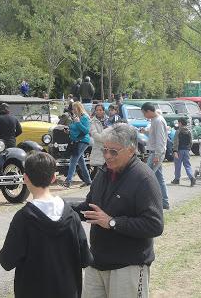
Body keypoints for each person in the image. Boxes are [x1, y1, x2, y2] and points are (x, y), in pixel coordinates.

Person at [71, 123, 164, 298]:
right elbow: (90, 208)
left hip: (128, 266)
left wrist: (112, 222)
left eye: (113, 151)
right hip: (96, 263)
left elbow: (155, 225)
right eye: (105, 149)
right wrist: (61, 210)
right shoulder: (103, 172)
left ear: (131, 150)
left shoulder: (144, 178)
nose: (107, 155)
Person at [0, 152, 92, 298]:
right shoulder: (71, 216)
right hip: (67, 291)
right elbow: (86, 259)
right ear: (54, 177)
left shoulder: (23, 218)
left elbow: (7, 261)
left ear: (25, 178)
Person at [141, 102, 170, 209]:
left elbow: (160, 140)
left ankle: (146, 202)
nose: (144, 116)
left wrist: (157, 155)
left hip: (156, 153)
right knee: (159, 177)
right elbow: (154, 134)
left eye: (144, 113)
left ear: (149, 111)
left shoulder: (158, 121)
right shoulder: (155, 120)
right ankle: (165, 202)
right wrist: (146, 131)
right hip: (155, 152)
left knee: (146, 177)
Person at [62, 102, 92, 188]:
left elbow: (86, 131)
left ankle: (68, 181)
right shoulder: (76, 118)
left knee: (73, 160)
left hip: (83, 141)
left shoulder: (84, 117)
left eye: (74, 108)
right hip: (77, 141)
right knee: (81, 162)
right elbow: (76, 130)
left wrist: (78, 123)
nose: (73, 110)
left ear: (79, 108)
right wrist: (69, 131)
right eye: (72, 108)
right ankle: (88, 181)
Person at [171, 117, 196, 186]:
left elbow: (176, 142)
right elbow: (191, 142)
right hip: (186, 150)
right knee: (187, 165)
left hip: (179, 150)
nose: (178, 124)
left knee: (178, 166)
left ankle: (177, 179)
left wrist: (175, 151)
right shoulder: (189, 131)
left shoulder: (178, 131)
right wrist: (188, 149)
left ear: (180, 123)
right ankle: (191, 177)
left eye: (178, 123)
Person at [90, 104, 108, 176]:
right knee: (99, 172)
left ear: (103, 111)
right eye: (97, 110)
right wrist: (105, 139)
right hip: (99, 149)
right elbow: (94, 134)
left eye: (100, 110)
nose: (98, 112)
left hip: (109, 149)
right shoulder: (92, 121)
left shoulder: (109, 120)